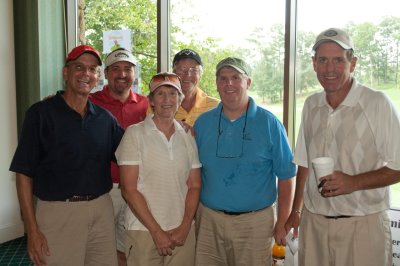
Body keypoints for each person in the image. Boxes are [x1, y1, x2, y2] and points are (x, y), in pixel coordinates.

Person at [284, 28, 400, 266]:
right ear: (314, 64)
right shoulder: (311, 105)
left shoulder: (376, 103)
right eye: (323, 60)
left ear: (353, 62)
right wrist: (296, 212)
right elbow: (304, 163)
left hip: (362, 226)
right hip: (314, 224)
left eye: (338, 60)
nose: (329, 69)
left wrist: (353, 182)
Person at [9, 45, 124, 266]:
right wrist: (31, 229)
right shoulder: (40, 114)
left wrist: (171, 127)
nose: (86, 74)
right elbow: (23, 173)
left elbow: (133, 150)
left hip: (101, 210)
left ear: (98, 76)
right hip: (58, 213)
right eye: (79, 67)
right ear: (65, 72)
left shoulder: (105, 119)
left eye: (92, 69)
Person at [194, 57, 296, 265]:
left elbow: (286, 176)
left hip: (255, 224)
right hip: (209, 222)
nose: (228, 84)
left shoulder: (269, 124)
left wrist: (283, 222)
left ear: (247, 82)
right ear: (216, 83)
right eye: (223, 78)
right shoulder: (203, 123)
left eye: (235, 78)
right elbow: (193, 173)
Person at [115, 72, 202, 266]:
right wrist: (156, 232)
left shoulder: (188, 136)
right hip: (143, 231)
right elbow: (129, 190)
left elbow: (194, 185)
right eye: (160, 93)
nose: (167, 99)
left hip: (181, 232)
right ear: (151, 100)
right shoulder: (134, 134)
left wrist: (185, 226)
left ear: (180, 100)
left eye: (173, 94)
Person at [90, 47, 148, 266]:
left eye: (127, 69)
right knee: (102, 244)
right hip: (104, 187)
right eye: (116, 69)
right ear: (106, 73)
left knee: (129, 242)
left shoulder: (146, 104)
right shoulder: (91, 102)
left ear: (134, 74)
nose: (122, 74)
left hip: (137, 186)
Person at [173, 49, 219, 126]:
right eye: (181, 69)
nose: (187, 74)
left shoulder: (217, 107)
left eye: (194, 70)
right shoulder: (161, 105)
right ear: (173, 74)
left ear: (200, 75)